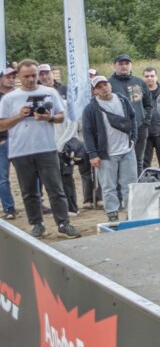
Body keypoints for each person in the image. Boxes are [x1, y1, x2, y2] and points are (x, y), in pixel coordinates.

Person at [0, 60, 80, 238]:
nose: (31, 79)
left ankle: (63, 223)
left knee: (55, 188)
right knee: (29, 191)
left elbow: (61, 116)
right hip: (20, 150)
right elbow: (1, 125)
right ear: (18, 76)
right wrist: (19, 116)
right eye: (26, 76)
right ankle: (37, 224)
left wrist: (48, 118)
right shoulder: (9, 99)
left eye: (34, 75)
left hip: (46, 148)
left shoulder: (50, 92)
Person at [82, 76, 138, 225]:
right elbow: (87, 132)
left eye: (105, 84)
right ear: (94, 91)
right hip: (106, 154)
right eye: (99, 87)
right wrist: (93, 154)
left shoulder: (122, 100)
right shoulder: (90, 108)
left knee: (130, 185)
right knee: (108, 187)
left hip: (127, 150)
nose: (104, 88)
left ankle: (132, 213)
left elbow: (133, 117)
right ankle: (112, 215)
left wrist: (133, 138)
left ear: (110, 85)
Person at [108, 53, 152, 175]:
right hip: (119, 130)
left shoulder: (139, 82)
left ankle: (137, 185)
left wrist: (146, 120)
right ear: (115, 65)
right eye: (121, 64)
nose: (124, 66)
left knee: (138, 161)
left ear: (131, 65)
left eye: (127, 64)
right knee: (120, 161)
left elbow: (148, 103)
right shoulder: (109, 84)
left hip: (140, 127)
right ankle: (123, 187)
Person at [141, 66, 160, 169]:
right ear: (143, 78)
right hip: (145, 131)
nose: (149, 78)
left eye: (152, 76)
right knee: (144, 162)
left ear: (156, 77)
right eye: (147, 76)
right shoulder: (140, 92)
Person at [0, 67, 18, 219]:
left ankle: (37, 203)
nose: (11, 79)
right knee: (3, 178)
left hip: (20, 140)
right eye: (8, 77)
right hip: (3, 142)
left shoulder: (18, 95)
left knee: (31, 175)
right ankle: (9, 208)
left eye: (13, 77)